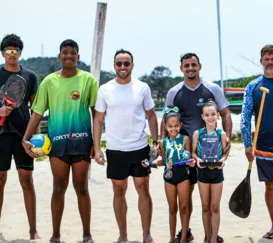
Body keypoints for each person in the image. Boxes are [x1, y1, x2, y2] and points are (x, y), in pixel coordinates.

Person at [21, 39, 98, 243]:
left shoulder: (88, 80)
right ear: (59, 56)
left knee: (81, 187)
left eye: (72, 53)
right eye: (65, 52)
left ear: (78, 57)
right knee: (58, 187)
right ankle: (55, 235)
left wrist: (96, 144)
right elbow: (37, 114)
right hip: (57, 143)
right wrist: (25, 138)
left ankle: (87, 234)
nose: (69, 56)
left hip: (82, 141)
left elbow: (96, 114)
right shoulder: (49, 82)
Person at [161, 53, 232, 243]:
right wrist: (162, 145)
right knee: (187, 193)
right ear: (181, 68)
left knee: (209, 199)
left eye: (193, 65)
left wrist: (228, 140)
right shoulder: (174, 92)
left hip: (209, 153)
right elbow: (165, 120)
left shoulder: (213, 89)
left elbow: (225, 114)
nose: (190, 68)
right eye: (186, 66)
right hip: (183, 154)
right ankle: (187, 231)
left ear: (200, 66)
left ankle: (211, 233)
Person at [93, 49, 158, 243]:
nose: (122, 67)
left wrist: (155, 142)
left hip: (139, 147)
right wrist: (97, 148)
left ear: (132, 65)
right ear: (114, 66)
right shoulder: (105, 89)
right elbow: (98, 120)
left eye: (126, 63)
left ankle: (147, 235)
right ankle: (123, 236)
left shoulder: (142, 88)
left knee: (143, 189)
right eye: (119, 63)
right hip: (115, 149)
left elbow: (151, 115)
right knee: (118, 191)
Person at [0, 34, 39, 239]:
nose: (12, 54)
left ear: (20, 53)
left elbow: (37, 109)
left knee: (27, 180)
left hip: (24, 135)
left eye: (16, 51)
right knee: (0, 180)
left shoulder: (31, 76)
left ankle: (33, 231)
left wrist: (37, 140)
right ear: (3, 53)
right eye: (8, 50)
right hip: (1, 135)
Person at [143, 106, 196, 243]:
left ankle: (183, 237)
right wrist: (150, 164)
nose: (174, 129)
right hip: (169, 176)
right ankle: (172, 238)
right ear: (166, 126)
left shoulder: (185, 139)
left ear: (180, 125)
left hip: (183, 175)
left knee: (184, 207)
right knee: (172, 208)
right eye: (170, 126)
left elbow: (188, 158)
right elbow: (163, 161)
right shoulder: (163, 142)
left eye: (176, 126)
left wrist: (191, 162)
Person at [241, 44, 273, 240]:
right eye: (267, 58)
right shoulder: (253, 86)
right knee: (270, 187)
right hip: (263, 146)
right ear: (261, 61)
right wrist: (247, 144)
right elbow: (245, 117)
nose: (270, 62)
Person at [192, 101, 227, 243]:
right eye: (207, 115)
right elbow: (193, 153)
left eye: (213, 114)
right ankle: (207, 237)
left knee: (215, 207)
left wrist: (223, 160)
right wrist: (197, 159)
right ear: (202, 117)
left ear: (217, 115)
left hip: (217, 172)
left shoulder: (221, 134)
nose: (210, 117)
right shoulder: (198, 134)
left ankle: (213, 238)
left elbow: (224, 154)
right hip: (203, 172)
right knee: (205, 206)